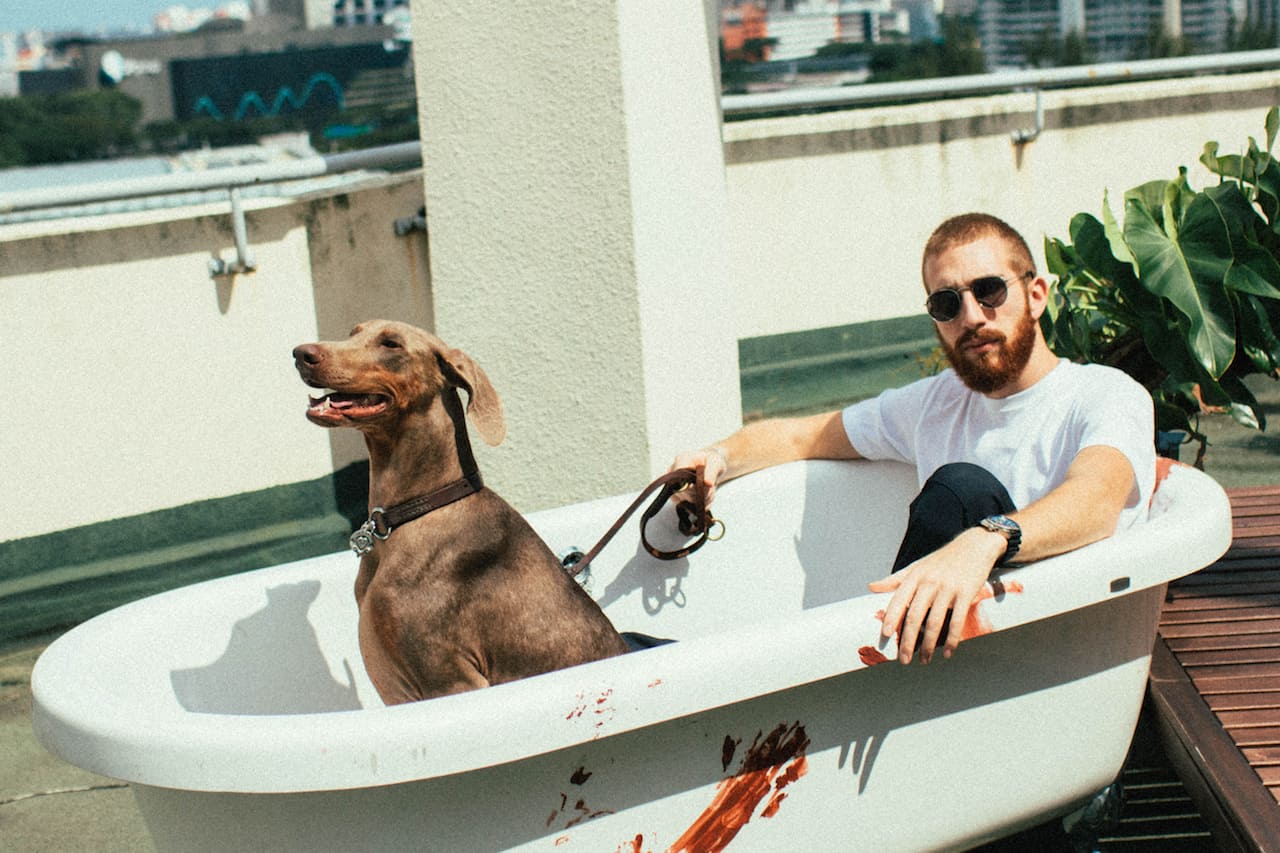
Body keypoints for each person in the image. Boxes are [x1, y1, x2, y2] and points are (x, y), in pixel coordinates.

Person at [671, 212, 1156, 666]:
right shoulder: (935, 405)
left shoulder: (1104, 395)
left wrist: (985, 540)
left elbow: (1096, 499)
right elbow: (803, 437)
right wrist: (718, 458)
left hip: (1050, 656)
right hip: (938, 661)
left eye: (989, 291)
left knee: (959, 487)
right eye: (947, 304)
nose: (971, 317)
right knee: (654, 652)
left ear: (1036, 294)